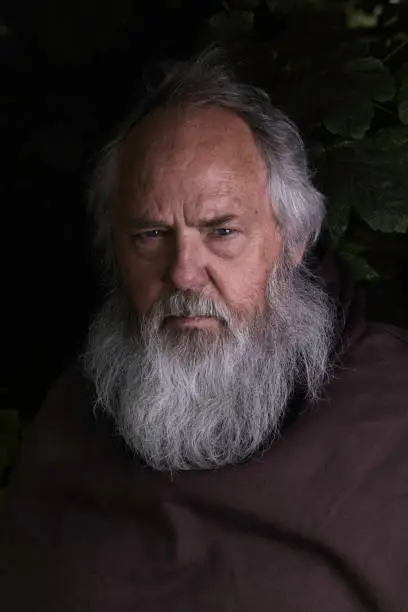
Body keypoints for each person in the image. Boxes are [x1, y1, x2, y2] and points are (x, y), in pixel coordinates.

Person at [2, 48, 408, 612]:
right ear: (115, 251)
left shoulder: (393, 414)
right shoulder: (74, 411)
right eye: (149, 234)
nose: (184, 272)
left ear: (291, 241)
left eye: (221, 230)